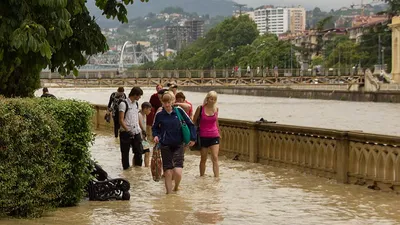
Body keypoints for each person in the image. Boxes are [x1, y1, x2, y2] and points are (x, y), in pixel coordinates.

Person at [152, 92, 196, 194]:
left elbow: (191, 124)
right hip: (165, 145)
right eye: (164, 102)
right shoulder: (159, 114)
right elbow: (155, 128)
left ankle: (176, 187)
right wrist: (156, 136)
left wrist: (193, 138)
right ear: (162, 102)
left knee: (177, 172)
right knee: (168, 172)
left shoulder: (179, 111)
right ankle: (169, 194)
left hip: (178, 144)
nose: (167, 105)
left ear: (172, 102)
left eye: (168, 102)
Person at [193, 91, 221, 178]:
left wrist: (219, 133)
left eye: (214, 99)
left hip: (214, 135)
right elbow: (194, 121)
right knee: (203, 158)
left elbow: (216, 122)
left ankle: (217, 177)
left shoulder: (216, 109)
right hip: (203, 136)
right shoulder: (200, 108)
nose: (212, 101)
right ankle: (202, 176)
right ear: (207, 98)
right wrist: (192, 135)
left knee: (215, 157)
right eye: (211, 99)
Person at [119, 87, 143, 170]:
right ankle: (126, 170)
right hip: (126, 132)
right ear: (135, 95)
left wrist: (142, 130)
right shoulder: (123, 104)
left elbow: (137, 118)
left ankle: (138, 171)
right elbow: (121, 119)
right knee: (125, 153)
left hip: (136, 131)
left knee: (139, 152)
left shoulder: (136, 104)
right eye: (139, 96)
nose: (140, 97)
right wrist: (127, 130)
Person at [139, 102, 152, 167]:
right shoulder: (139, 115)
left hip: (143, 137)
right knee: (139, 154)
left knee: (147, 152)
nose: (150, 111)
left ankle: (146, 166)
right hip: (139, 137)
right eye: (149, 110)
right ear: (145, 109)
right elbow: (140, 126)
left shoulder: (144, 115)